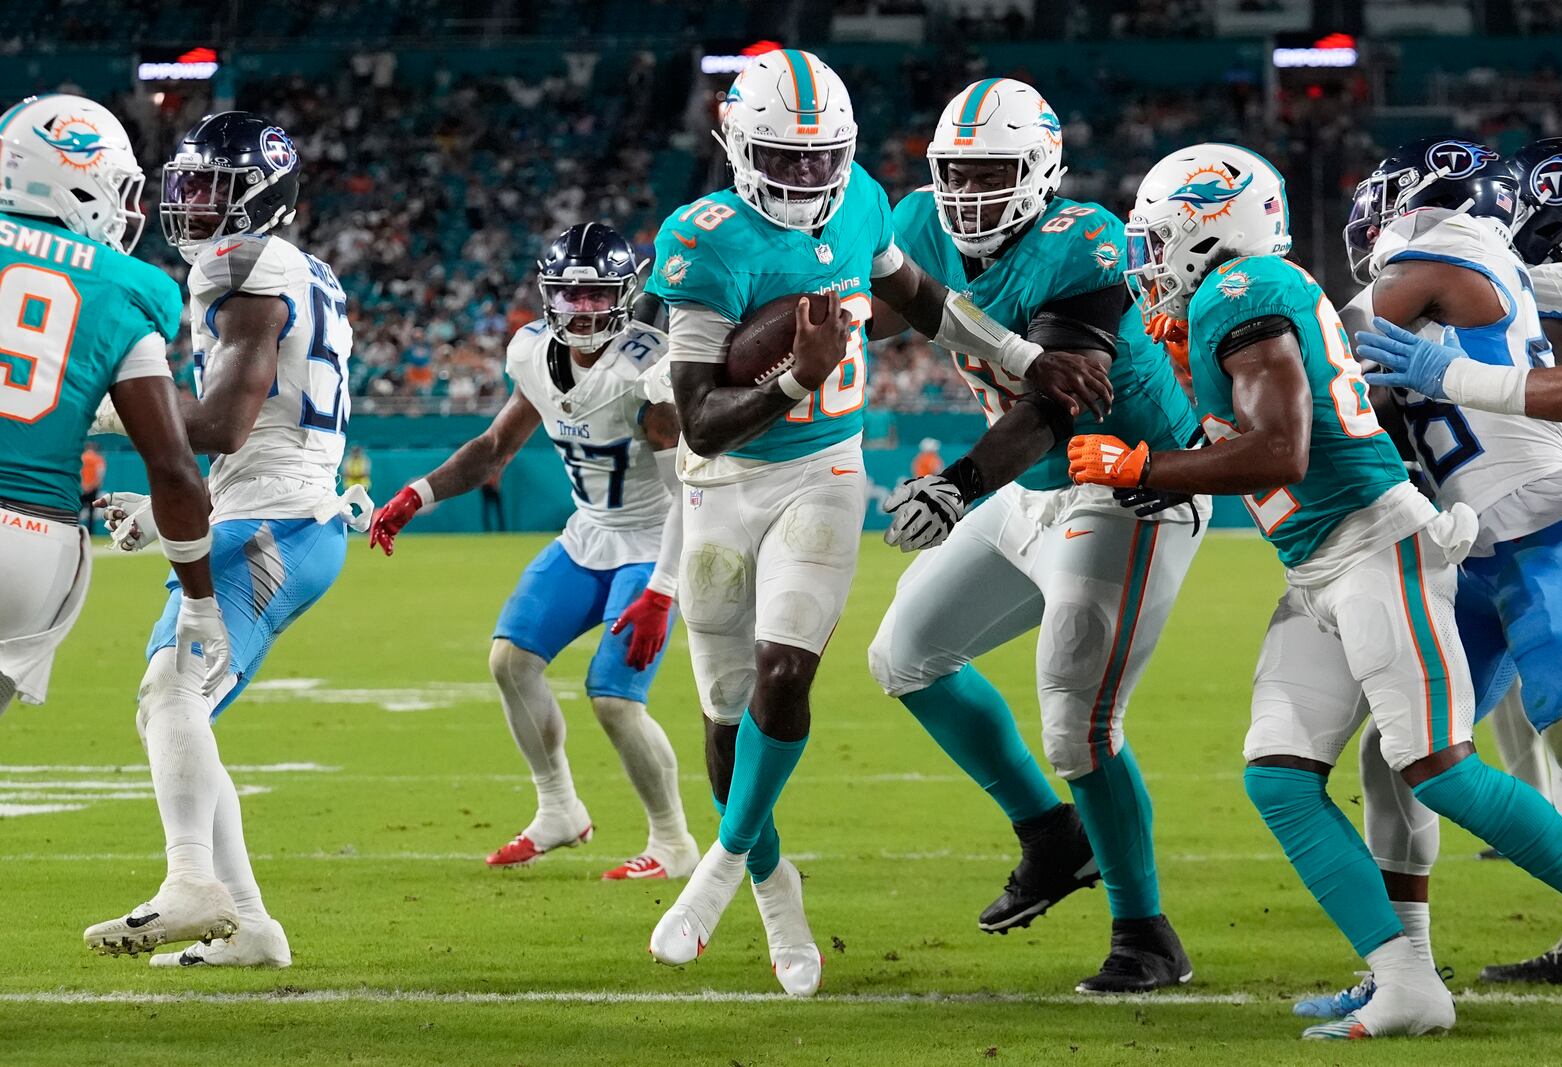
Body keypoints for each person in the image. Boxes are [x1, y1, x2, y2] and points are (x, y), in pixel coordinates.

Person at [1070, 142, 1562, 1040]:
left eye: (1160, 238)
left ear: (1210, 233)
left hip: (1412, 542)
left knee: (1464, 764)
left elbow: (1286, 441)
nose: (1146, 260)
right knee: (1296, 773)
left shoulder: (1271, 288)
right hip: (1333, 562)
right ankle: (1404, 976)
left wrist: (1146, 459)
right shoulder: (1231, 305)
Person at [643, 49, 1112, 997]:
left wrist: (1026, 356)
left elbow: (926, 304)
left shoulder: (860, 199)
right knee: (727, 713)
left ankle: (722, 866)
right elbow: (698, 418)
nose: (811, 178)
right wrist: (796, 376)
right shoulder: (701, 238)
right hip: (720, 483)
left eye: (826, 159)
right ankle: (780, 898)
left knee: (788, 671)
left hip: (825, 470)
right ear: (735, 142)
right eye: (789, 157)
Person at [866, 78, 1206, 992]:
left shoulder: (1083, 238)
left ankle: (1145, 931)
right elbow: (870, 314)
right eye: (955, 172)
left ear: (1042, 172)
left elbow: (1056, 400)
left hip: (1129, 485)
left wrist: (960, 482)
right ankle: (1051, 836)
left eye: (994, 172)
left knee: (1077, 716)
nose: (969, 193)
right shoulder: (917, 223)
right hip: (1034, 495)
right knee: (903, 654)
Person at [85, 112, 368, 968]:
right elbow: (243, 432)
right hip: (275, 512)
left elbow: (225, 422)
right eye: (190, 182)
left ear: (263, 195)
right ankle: (249, 926)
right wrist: (173, 496)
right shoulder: (292, 270)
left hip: (278, 521)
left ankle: (191, 881)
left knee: (170, 690)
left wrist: (101, 401)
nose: (194, 201)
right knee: (179, 706)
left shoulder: (250, 276)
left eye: (215, 185)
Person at [368, 223, 698, 881]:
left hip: (653, 540)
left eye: (595, 294)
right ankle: (559, 808)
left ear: (623, 296)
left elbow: (691, 493)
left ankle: (674, 840)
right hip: (589, 533)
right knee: (511, 660)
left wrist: (664, 588)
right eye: (568, 295)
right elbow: (494, 448)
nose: (580, 309)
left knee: (613, 697)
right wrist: (418, 494)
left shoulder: (644, 372)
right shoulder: (531, 354)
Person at [1353, 136, 1562, 983]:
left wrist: (1239, 306)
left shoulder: (1451, 241)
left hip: (1545, 519)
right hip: (1480, 539)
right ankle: (1406, 970)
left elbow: (1332, 334)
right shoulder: (1507, 271)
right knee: (1401, 750)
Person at [0, 93, 227, 750]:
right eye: (117, 188)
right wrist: (199, 600)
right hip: (36, 545)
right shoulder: (131, 284)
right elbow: (176, 469)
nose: (129, 210)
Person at [80, 441, 106, 527]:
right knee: (91, 512)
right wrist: (91, 486)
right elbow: (100, 475)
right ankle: (89, 533)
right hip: (93, 488)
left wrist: (84, 486)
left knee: (77, 509)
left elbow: (78, 473)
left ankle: (75, 529)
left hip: (82, 488)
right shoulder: (98, 459)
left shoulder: (82, 458)